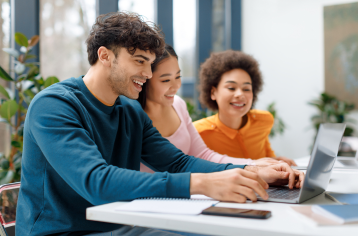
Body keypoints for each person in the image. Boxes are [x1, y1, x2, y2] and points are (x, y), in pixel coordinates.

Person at [16, 12, 303, 236]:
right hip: (65, 231)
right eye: (140, 61)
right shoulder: (54, 105)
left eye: (150, 64)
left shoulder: (129, 110)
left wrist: (253, 171)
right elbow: (97, 182)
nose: (147, 73)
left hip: (117, 224)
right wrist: (204, 184)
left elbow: (178, 163)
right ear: (105, 56)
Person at [137, 44, 280, 172]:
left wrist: (254, 165)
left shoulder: (179, 105)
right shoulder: (131, 115)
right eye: (166, 80)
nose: (176, 87)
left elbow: (202, 155)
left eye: (178, 77)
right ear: (145, 79)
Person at [193, 50, 297, 166]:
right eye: (231, 88)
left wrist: (277, 161)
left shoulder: (263, 120)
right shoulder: (198, 133)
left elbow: (267, 157)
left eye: (246, 89)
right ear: (213, 92)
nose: (240, 94)